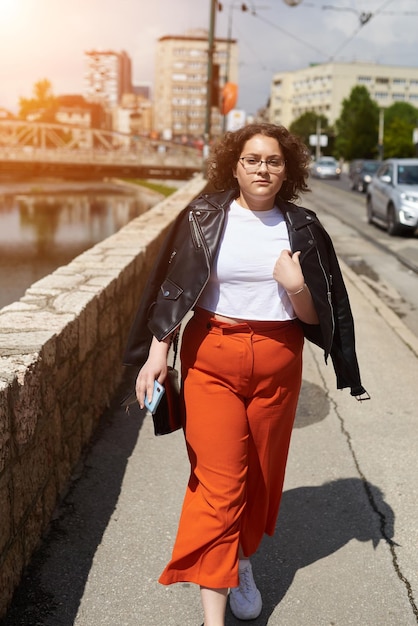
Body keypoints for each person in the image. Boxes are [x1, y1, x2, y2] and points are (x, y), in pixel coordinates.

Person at [123, 123, 368, 626]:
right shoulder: (204, 216)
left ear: (287, 170)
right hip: (212, 357)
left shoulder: (303, 226)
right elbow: (173, 287)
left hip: (279, 362)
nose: (262, 168)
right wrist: (156, 355)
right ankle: (214, 617)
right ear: (234, 165)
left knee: (259, 477)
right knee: (219, 484)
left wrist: (297, 287)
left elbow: (320, 317)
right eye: (252, 159)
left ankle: (240, 557)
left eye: (273, 161)